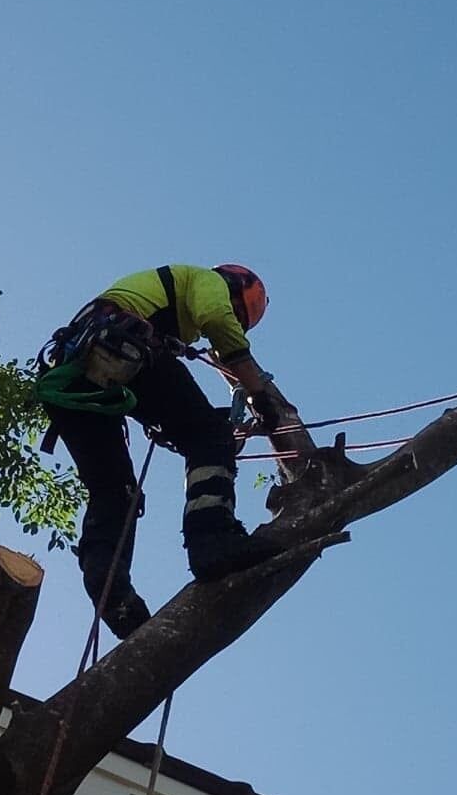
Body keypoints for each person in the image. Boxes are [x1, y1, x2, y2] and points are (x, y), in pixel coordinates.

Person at [37, 263, 296, 639]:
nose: (235, 322)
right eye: (238, 313)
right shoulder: (205, 282)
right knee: (210, 437)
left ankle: (109, 587)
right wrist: (258, 395)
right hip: (122, 342)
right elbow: (218, 321)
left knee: (116, 491)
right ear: (234, 287)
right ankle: (213, 539)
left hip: (77, 367)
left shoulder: (162, 305)